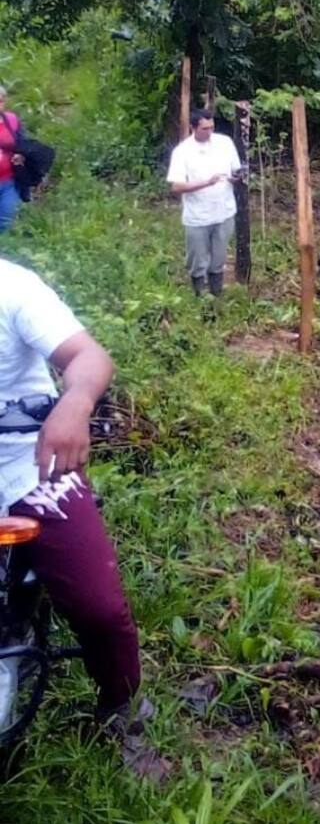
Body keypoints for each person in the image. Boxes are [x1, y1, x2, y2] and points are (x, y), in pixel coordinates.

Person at [0, 259, 141, 729]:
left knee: (98, 608)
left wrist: (74, 404)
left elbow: (90, 358)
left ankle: (120, 705)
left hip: (29, 462)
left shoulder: (13, 286)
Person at [166, 108, 243, 296]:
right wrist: (206, 182)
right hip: (198, 215)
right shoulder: (183, 151)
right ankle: (199, 294)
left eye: (211, 128)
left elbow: (237, 170)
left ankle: (216, 293)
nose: (209, 132)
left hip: (224, 211)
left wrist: (236, 178)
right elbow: (176, 186)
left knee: (219, 257)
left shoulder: (224, 143)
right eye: (204, 129)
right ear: (193, 128)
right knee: (197, 259)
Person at [0, 86, 25, 234]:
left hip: (8, 182)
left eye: (1, 101)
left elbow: (23, 144)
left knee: (6, 223)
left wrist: (20, 155)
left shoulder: (11, 120)